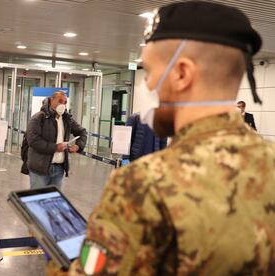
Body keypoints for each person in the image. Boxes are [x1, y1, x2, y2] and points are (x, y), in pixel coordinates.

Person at [46, 1, 275, 275]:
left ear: (181, 74)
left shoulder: (144, 184)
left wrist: (57, 259)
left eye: (151, 72)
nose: (150, 85)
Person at [26, 91, 87, 189]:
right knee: (37, 200)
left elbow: (82, 132)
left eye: (65, 102)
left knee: (54, 201)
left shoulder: (67, 119)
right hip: (40, 169)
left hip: (59, 170)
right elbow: (33, 141)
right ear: (51, 100)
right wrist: (55, 147)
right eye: (60, 101)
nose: (62, 104)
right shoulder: (38, 118)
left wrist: (78, 146)